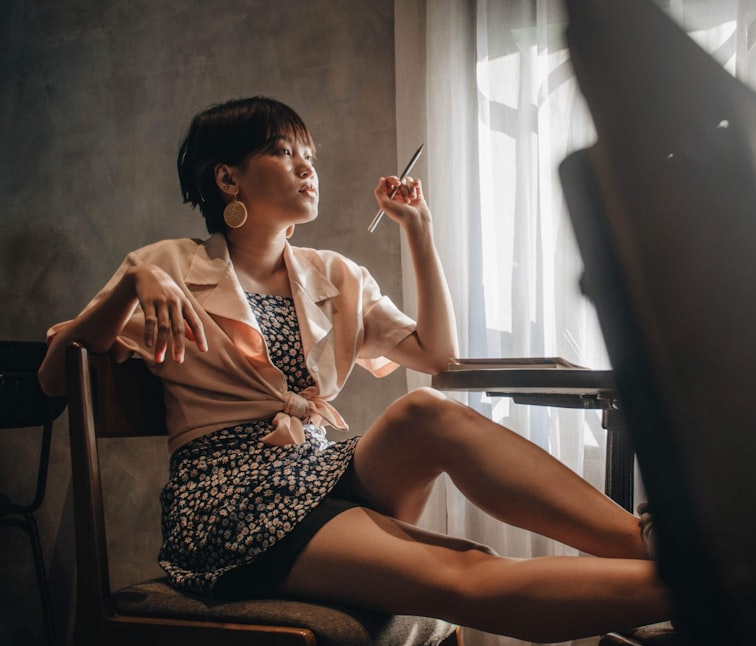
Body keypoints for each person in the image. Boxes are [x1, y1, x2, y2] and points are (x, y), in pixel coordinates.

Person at [38, 96, 669, 642]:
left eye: (309, 152)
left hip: (318, 469)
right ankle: (715, 585)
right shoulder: (167, 266)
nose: (307, 165)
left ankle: (658, 545)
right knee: (469, 569)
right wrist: (130, 281)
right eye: (285, 152)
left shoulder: (332, 273)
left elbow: (436, 361)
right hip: (232, 501)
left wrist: (418, 229)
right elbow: (56, 378)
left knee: (425, 411)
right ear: (228, 179)